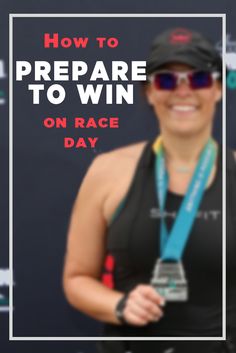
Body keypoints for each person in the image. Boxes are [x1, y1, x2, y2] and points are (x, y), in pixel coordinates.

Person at [63, 28, 236, 352]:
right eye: (167, 81)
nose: (182, 92)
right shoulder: (107, 172)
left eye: (198, 80)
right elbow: (77, 279)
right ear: (150, 92)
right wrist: (119, 304)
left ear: (216, 89)